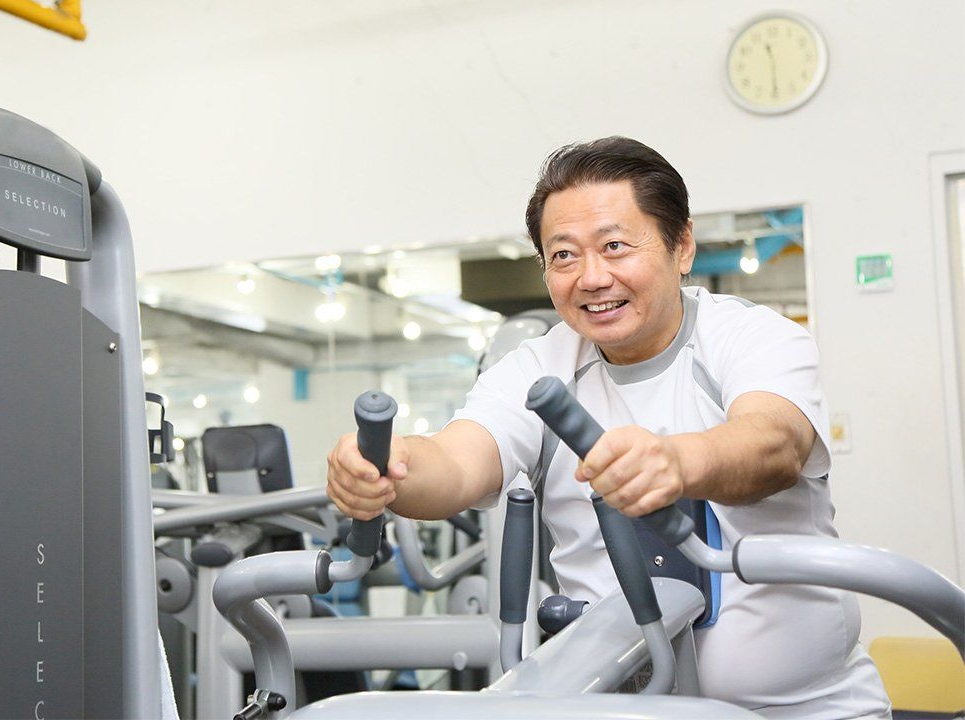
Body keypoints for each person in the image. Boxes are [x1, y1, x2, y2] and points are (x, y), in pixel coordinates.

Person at [326, 137, 891, 718]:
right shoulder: (538, 366)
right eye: (564, 256)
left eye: (615, 246)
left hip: (806, 710)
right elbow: (455, 463)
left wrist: (677, 463)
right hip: (621, 709)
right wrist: (390, 468)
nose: (592, 278)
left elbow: (774, 444)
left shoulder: (751, 337)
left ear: (682, 246)